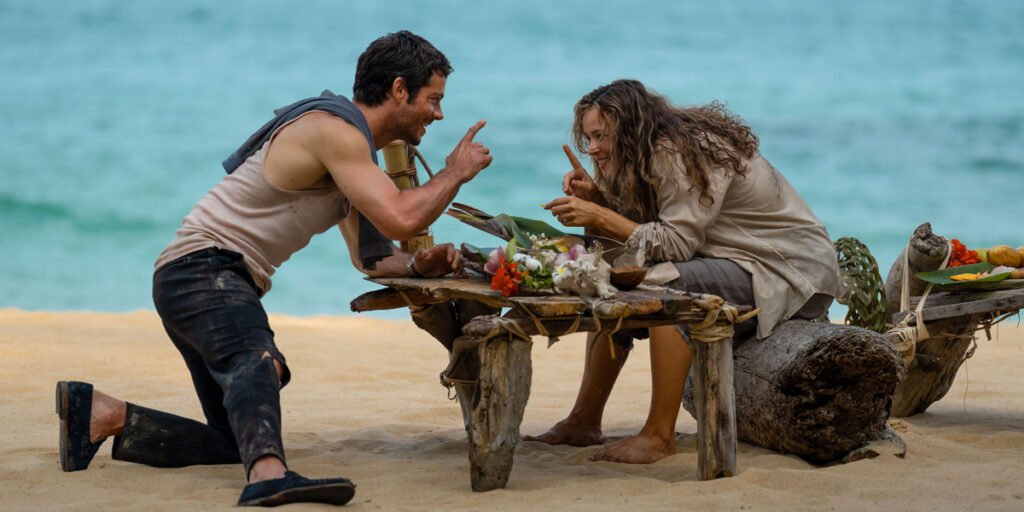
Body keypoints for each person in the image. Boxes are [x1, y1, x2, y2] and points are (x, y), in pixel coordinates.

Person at [55, 31, 493, 507]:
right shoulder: (335, 131)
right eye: (434, 99)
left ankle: (102, 413)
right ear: (399, 89)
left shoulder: (353, 153)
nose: (439, 114)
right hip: (205, 269)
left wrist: (418, 262)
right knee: (258, 361)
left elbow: (372, 258)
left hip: (193, 277)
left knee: (233, 440)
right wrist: (455, 171)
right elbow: (403, 216)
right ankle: (268, 478)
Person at [528, 79, 842, 464]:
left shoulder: (678, 152)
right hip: (738, 260)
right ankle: (583, 421)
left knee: (666, 285)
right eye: (587, 139)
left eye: (601, 137)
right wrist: (598, 202)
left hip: (789, 270)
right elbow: (637, 245)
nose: (592, 148)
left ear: (631, 129)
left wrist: (601, 214)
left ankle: (659, 436)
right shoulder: (646, 157)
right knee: (618, 283)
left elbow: (675, 245)